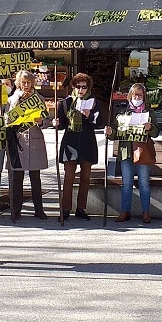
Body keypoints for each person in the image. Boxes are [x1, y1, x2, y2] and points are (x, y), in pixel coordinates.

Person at [53, 72, 104, 222]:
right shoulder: (66, 102)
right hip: (71, 142)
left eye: (84, 87)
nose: (81, 90)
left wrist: (89, 115)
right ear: (73, 86)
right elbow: (61, 124)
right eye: (78, 86)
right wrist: (56, 124)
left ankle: (81, 208)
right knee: (69, 177)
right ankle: (65, 209)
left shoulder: (93, 102)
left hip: (87, 142)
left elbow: (99, 122)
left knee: (85, 177)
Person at [108, 82, 160, 223]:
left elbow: (156, 133)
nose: (137, 97)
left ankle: (146, 212)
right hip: (126, 151)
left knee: (144, 182)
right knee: (126, 182)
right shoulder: (122, 113)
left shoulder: (149, 112)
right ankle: (125, 211)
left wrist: (150, 127)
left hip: (142, 152)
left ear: (144, 96)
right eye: (135, 94)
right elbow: (114, 133)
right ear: (130, 96)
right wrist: (109, 132)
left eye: (140, 95)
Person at [4, 71, 49, 222]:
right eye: (23, 82)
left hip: (34, 140)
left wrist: (41, 121)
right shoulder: (11, 100)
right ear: (18, 83)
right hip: (18, 141)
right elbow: (7, 120)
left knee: (35, 177)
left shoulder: (39, 99)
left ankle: (39, 210)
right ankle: (15, 210)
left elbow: (47, 120)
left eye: (28, 82)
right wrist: (17, 101)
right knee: (17, 177)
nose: (26, 85)